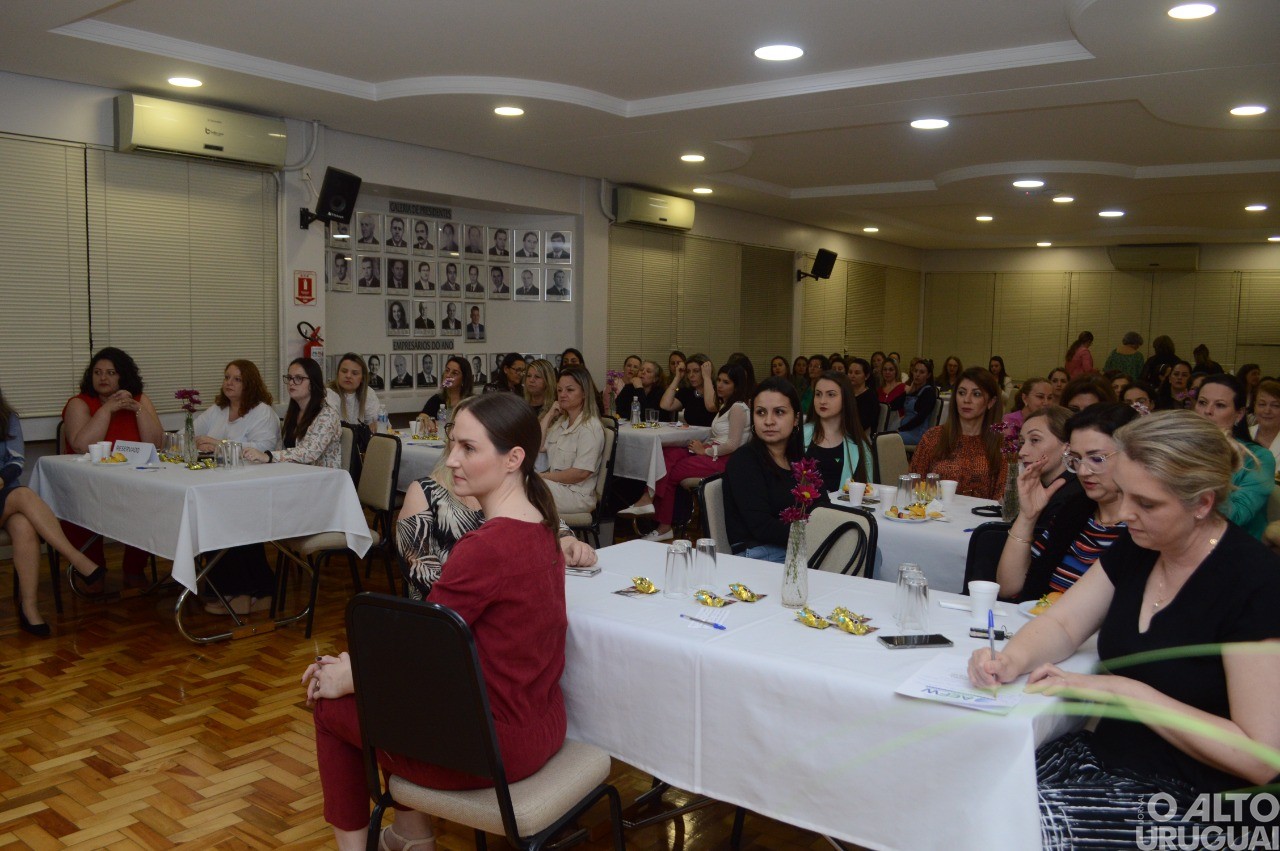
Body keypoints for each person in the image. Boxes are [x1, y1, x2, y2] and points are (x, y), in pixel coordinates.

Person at [970, 411, 1280, 844]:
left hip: (1201, 799)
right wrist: (1009, 659)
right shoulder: (1140, 545)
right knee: (973, 791)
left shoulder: (1255, 582)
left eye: (1146, 503)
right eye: (1126, 495)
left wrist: (1126, 691)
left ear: (1202, 503)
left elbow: (1260, 758)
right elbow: (1062, 623)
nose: (1125, 514)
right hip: (1112, 761)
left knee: (1014, 829)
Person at [307, 393, 569, 851]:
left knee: (330, 706)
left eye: (469, 449)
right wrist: (359, 669)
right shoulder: (543, 528)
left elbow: (419, 655)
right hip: (544, 726)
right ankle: (409, 836)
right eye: (453, 445)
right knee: (386, 696)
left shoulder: (486, 546)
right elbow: (429, 652)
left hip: (495, 749)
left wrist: (351, 676)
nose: (452, 460)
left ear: (513, 459)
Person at [996, 404, 1135, 601]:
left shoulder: (1141, 529)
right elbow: (1008, 587)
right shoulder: (1076, 511)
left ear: (1132, 455)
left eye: (1096, 459)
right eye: (1076, 459)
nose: (1083, 471)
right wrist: (1028, 517)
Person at [1, 385, 105, 635]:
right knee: (24, 494)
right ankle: (77, 558)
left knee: (24, 525)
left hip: (4, 494)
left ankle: (30, 608)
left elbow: (16, 460)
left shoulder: (6, 417)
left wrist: (2, 479)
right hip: (11, 497)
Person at [61, 347, 165, 588]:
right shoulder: (80, 403)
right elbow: (80, 445)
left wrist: (137, 410)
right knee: (80, 506)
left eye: (110, 373)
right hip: (88, 485)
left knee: (150, 503)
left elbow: (157, 444)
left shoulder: (139, 400)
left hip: (134, 483)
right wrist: (107, 409)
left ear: (122, 376)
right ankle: (93, 570)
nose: (103, 378)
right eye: (97, 372)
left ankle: (134, 568)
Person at [625, 364, 753, 540]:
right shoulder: (726, 405)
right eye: (719, 381)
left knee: (671, 472)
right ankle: (647, 498)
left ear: (737, 386)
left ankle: (663, 526)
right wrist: (702, 445)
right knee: (668, 454)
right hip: (712, 449)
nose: (720, 385)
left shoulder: (738, 407)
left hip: (723, 458)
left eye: (726, 382)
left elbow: (732, 444)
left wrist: (705, 451)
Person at [723, 377, 806, 561]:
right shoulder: (744, 461)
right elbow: (761, 527)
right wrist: (815, 535)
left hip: (794, 545)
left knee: (865, 550)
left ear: (796, 419)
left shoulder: (799, 460)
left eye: (779, 412)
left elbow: (821, 505)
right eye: (761, 412)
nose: (768, 421)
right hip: (758, 553)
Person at [1193, 374, 1275, 539]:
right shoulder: (1184, 448)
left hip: (1236, 544)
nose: (1207, 411)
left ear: (1239, 414)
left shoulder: (1259, 458)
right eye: (1202, 403)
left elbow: (1237, 516)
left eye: (1220, 405)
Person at [909, 367, 1006, 500]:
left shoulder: (1001, 446)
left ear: (991, 402)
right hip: (935, 516)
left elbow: (1002, 498)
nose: (966, 400)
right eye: (961, 393)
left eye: (976, 394)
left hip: (980, 518)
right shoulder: (933, 437)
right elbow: (913, 486)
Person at [244, 358, 340, 467]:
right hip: (294, 473)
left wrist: (268, 456)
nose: (291, 383)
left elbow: (309, 452)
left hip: (322, 478)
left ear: (313, 383)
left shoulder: (328, 414)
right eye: (289, 378)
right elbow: (283, 447)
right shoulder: (293, 413)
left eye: (298, 378)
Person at [538, 366, 605, 514]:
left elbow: (580, 473)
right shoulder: (562, 423)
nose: (562, 395)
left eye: (570, 390)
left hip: (577, 495)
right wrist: (549, 415)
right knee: (518, 484)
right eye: (559, 390)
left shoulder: (590, 428)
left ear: (584, 394)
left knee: (526, 487)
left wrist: (543, 476)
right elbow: (539, 446)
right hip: (558, 488)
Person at [803, 371, 870, 492]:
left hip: (842, 510)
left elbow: (869, 491)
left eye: (831, 395)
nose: (822, 401)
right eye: (818, 394)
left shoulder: (860, 445)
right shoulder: (799, 436)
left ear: (845, 399)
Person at [197, 360, 282, 451]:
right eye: (227, 377)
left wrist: (218, 444)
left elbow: (264, 448)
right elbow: (187, 435)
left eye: (237, 379)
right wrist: (198, 444)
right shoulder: (217, 409)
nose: (229, 382)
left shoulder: (263, 412)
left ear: (250, 385)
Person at [322, 354, 378, 431]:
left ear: (362, 378)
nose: (348, 376)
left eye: (354, 373)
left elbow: (377, 424)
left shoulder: (368, 393)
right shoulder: (329, 393)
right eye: (344, 371)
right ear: (338, 373)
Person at [659, 354, 715, 427]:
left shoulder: (718, 389)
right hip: (692, 436)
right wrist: (677, 377)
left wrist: (707, 377)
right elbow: (665, 405)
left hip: (712, 436)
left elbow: (711, 406)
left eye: (696, 371)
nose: (691, 375)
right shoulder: (688, 391)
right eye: (688, 371)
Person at [419, 356, 474, 423]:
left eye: (454, 373)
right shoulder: (436, 399)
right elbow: (422, 418)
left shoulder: (472, 402)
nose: (448, 375)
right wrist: (424, 419)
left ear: (464, 379)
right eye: (447, 370)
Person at [897, 358, 938, 445]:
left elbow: (920, 418)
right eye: (915, 371)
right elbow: (894, 405)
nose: (917, 375)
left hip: (917, 433)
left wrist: (900, 429)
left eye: (922, 372)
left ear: (928, 375)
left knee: (885, 440)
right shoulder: (912, 391)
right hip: (905, 430)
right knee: (881, 436)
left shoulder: (928, 392)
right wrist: (906, 393)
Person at [846, 357, 880, 436]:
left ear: (866, 376)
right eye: (850, 372)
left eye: (857, 373)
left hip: (862, 436)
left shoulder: (871, 396)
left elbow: (864, 424)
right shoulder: (846, 393)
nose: (852, 375)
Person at [1249, 379, 1280, 458]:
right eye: (1262, 404)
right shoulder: (1243, 437)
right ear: (1255, 406)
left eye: (1275, 405)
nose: (1267, 411)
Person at [876, 357, 906, 423]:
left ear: (896, 371)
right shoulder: (878, 391)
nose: (887, 372)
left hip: (898, 425)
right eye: (885, 369)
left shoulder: (903, 388)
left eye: (891, 370)